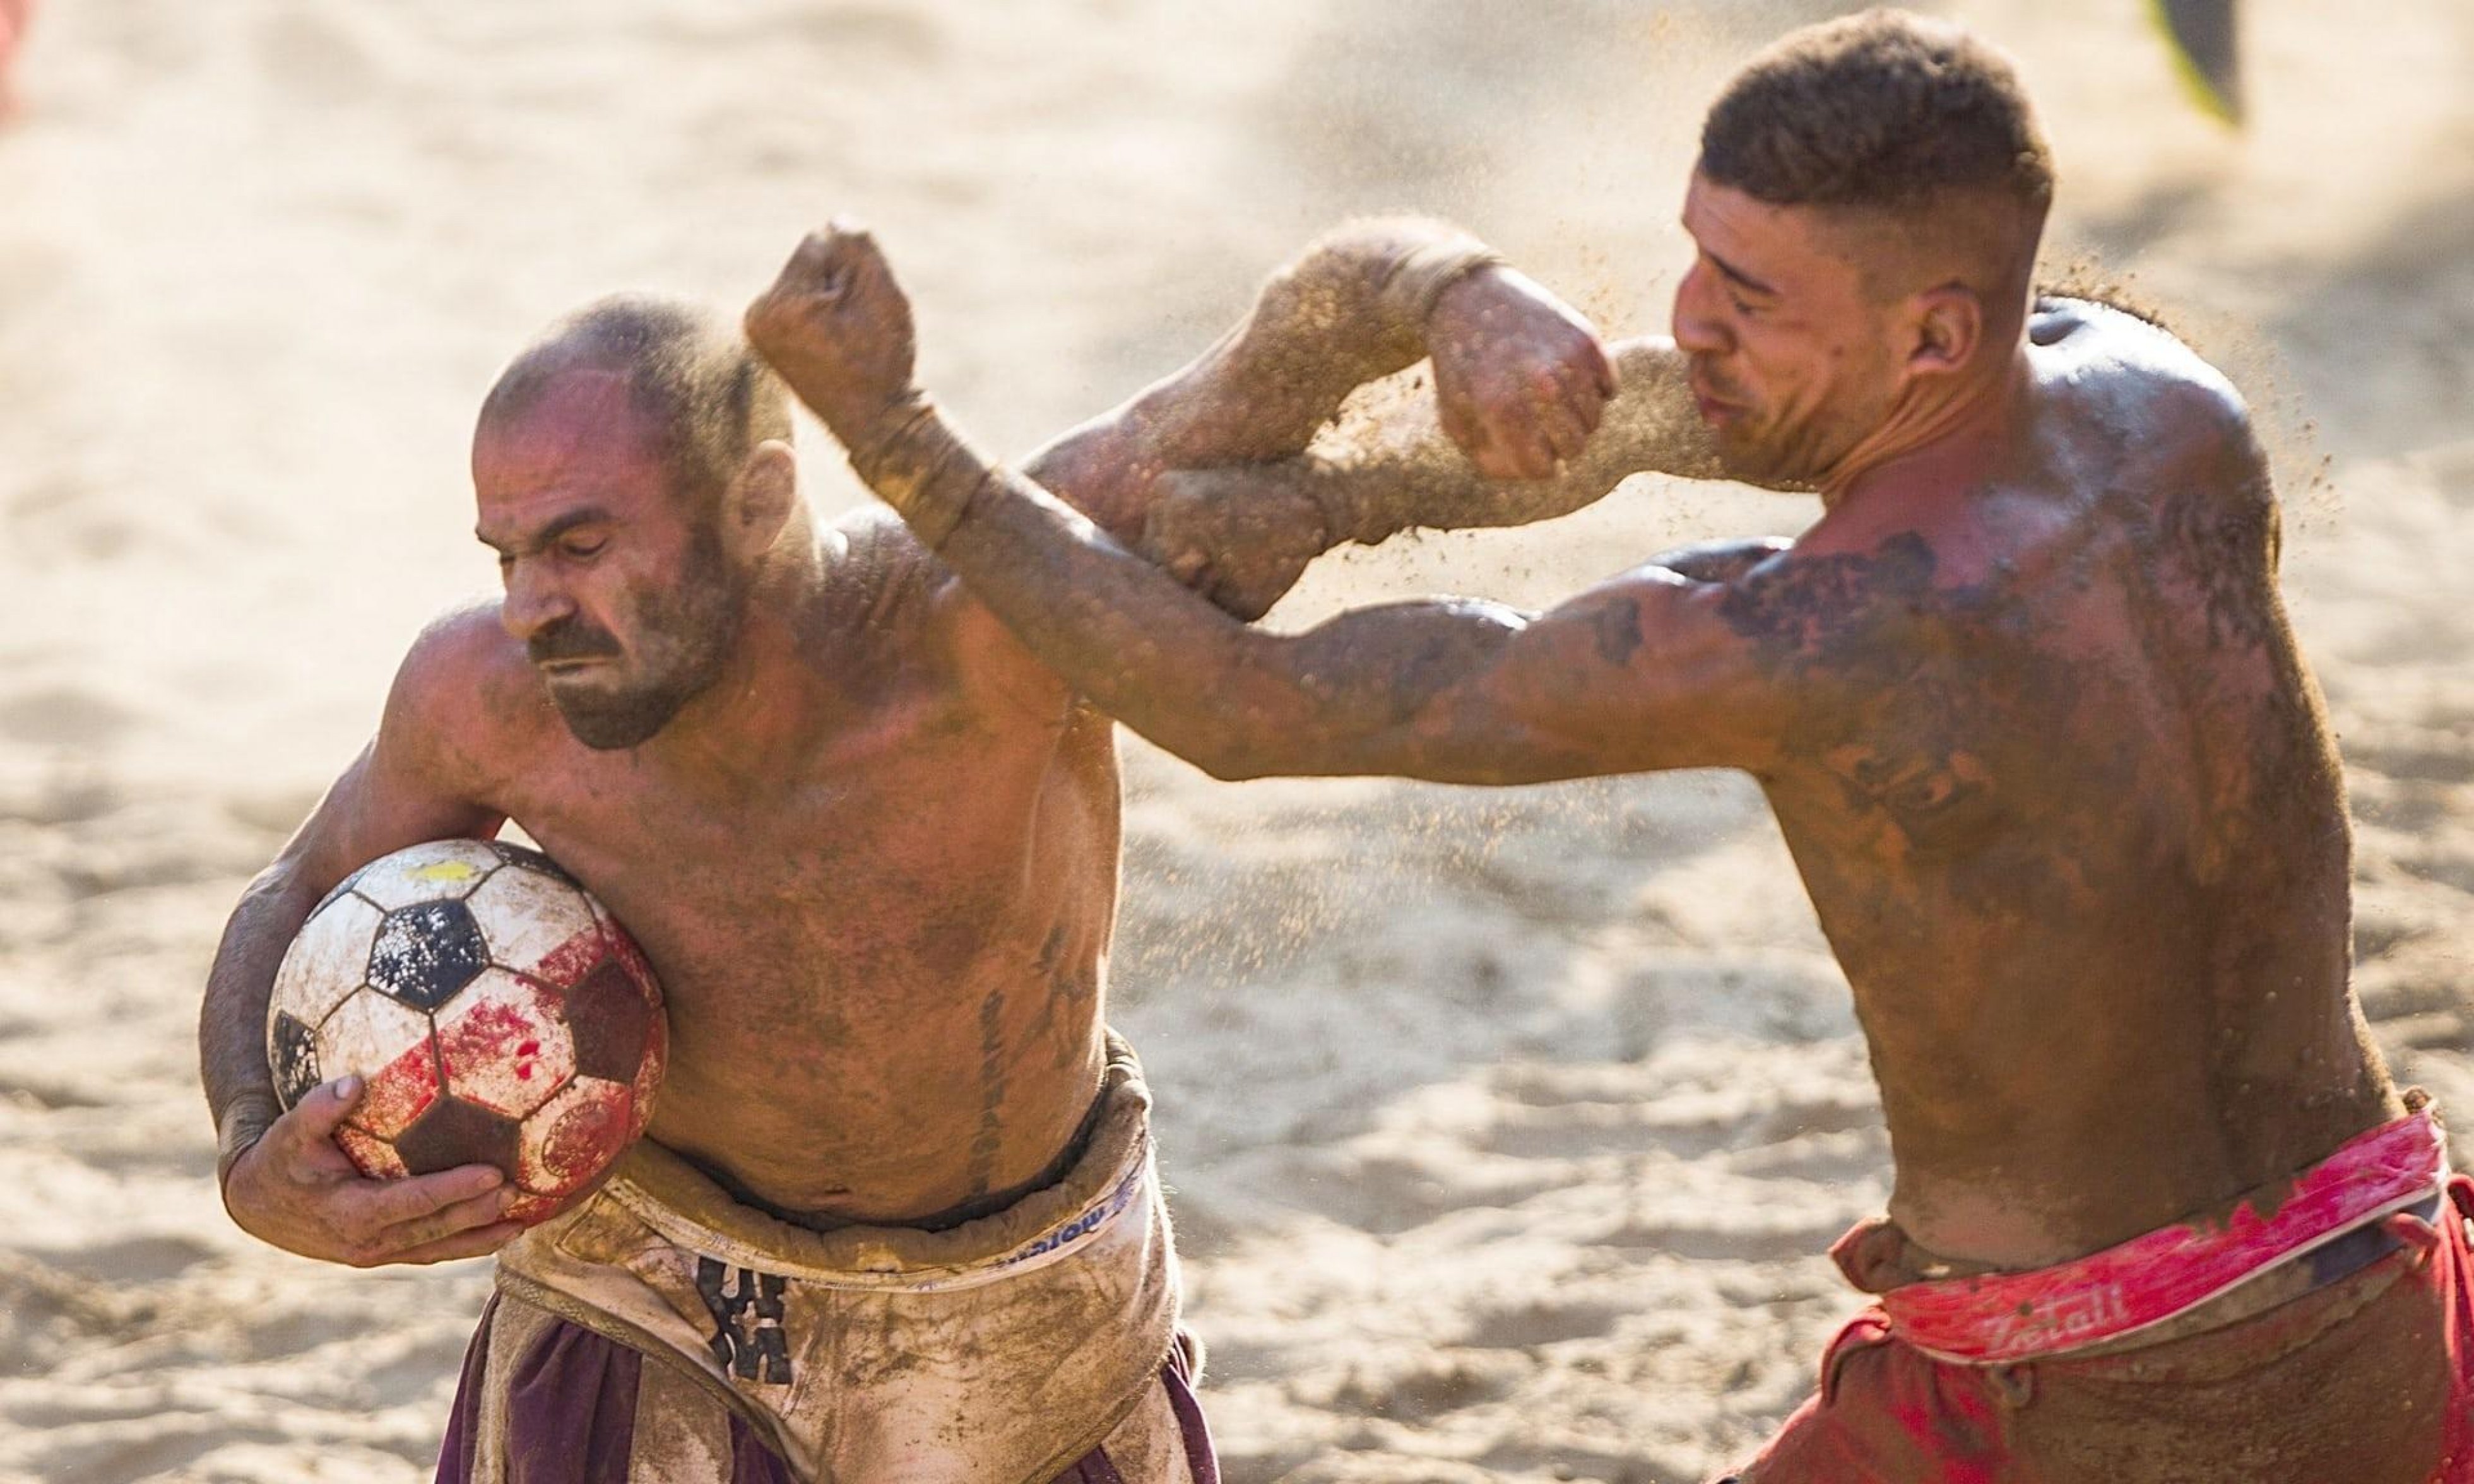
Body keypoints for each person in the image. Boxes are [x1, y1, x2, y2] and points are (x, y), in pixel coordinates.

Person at [742, 11, 2474, 1482]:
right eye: (1696, 254)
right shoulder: (2164, 403)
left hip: (2092, 1395)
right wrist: (1346, 495)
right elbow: (1709, 413)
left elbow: (1243, 715)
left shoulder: (1821, 638)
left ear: (1932, 332)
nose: (1689, 317)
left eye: (1744, 290)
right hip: (2385, 1281)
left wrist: (901, 440)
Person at [197, 225, 1616, 1481]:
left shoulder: (991, 598)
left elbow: (1300, 335)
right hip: (649, 1322)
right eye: (505, 554)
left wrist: (1461, 293)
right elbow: (298, 886)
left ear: (755, 506)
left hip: (1032, 1332)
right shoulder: (483, 695)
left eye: (577, 545)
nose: (528, 607)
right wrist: (255, 1146)